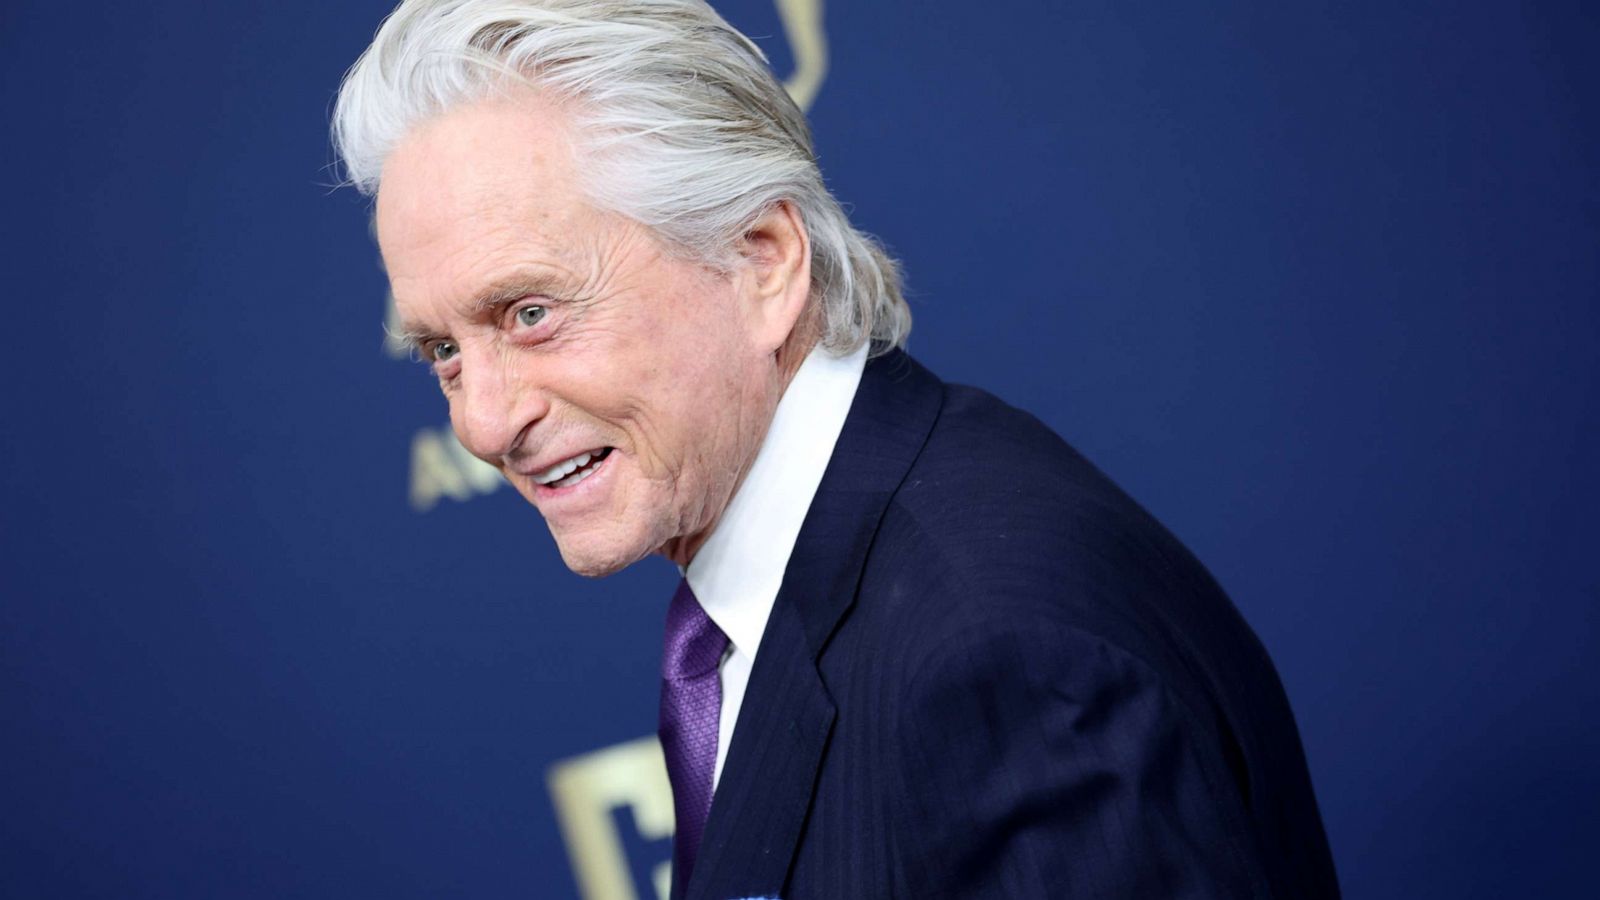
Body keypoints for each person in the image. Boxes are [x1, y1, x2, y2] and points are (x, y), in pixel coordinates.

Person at [332, 1, 1341, 896]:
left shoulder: (1000, 662)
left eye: (532, 311)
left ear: (760, 262)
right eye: (441, 351)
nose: (480, 421)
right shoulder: (796, 583)